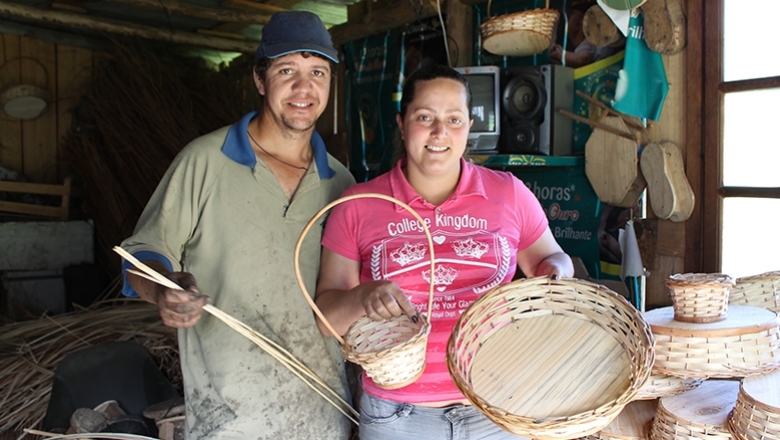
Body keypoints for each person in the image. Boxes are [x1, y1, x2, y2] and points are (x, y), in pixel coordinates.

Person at [119, 11, 356, 440]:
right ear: (260, 80)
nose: (304, 88)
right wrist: (164, 290)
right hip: (229, 420)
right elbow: (141, 254)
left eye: (317, 72)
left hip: (323, 415)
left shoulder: (342, 183)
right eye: (287, 70)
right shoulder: (204, 161)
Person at [314, 64, 574, 439]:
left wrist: (556, 273)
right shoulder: (358, 204)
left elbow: (552, 260)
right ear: (402, 124)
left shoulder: (509, 193)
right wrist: (363, 296)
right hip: (398, 418)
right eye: (425, 117)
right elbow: (326, 319)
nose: (440, 133)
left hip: (498, 407)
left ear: (469, 126)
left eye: (454, 119)